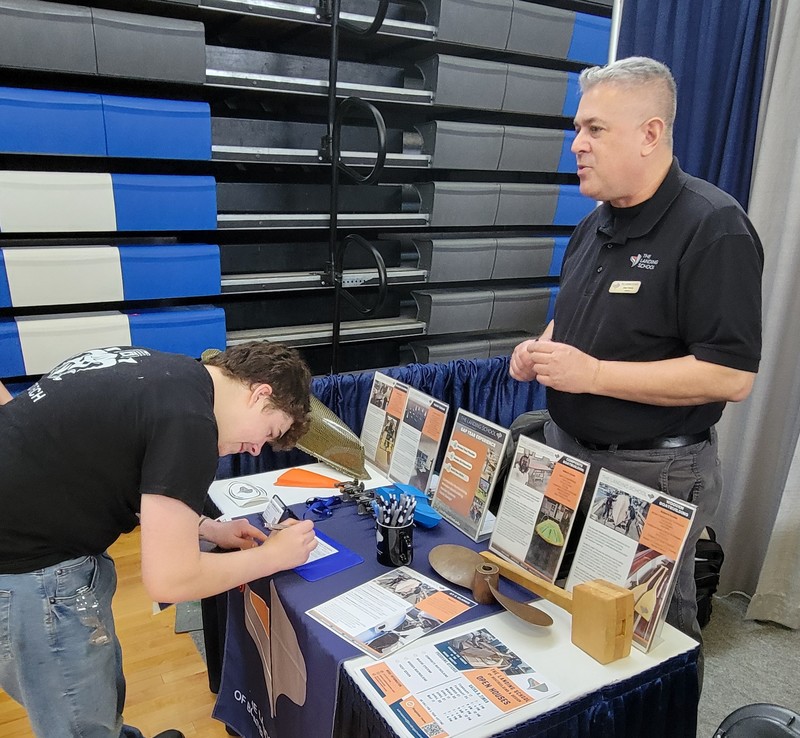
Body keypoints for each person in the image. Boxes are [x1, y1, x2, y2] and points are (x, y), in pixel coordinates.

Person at [509, 57, 763, 669]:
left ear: (650, 134)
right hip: (570, 450)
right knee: (570, 614)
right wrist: (539, 347)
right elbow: (577, 320)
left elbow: (730, 375)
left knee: (652, 641)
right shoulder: (593, 225)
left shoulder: (714, 227)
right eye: (578, 129)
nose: (577, 145)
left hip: (655, 471)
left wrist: (592, 375)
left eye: (595, 130)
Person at [0, 341, 319, 738]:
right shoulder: (192, 421)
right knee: (75, 720)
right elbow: (172, 580)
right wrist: (276, 555)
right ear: (260, 393)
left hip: (34, 538)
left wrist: (206, 527)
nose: (255, 449)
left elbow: (117, 465)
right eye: (268, 433)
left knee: (93, 694)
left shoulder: (170, 371)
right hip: (30, 570)